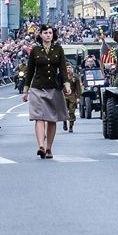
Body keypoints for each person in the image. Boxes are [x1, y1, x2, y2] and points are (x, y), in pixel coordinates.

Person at [20, 24, 71, 158]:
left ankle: (49, 148)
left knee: (52, 119)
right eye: (45, 33)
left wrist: (67, 85)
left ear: (53, 35)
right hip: (37, 88)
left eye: (50, 33)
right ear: (40, 35)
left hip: (54, 87)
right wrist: (25, 91)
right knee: (39, 117)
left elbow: (63, 69)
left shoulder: (58, 49)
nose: (48, 35)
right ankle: (41, 146)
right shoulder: (35, 50)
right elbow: (29, 71)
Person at [63, 62, 83, 132]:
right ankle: (64, 121)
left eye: (69, 67)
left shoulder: (75, 76)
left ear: (71, 68)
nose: (68, 69)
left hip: (72, 95)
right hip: (63, 95)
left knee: (72, 111)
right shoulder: (62, 76)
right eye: (66, 68)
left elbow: (78, 88)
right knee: (64, 110)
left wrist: (78, 97)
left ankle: (71, 126)